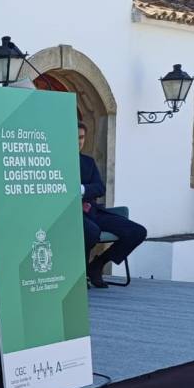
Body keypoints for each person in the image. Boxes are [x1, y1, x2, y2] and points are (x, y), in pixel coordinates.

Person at [79, 121, 146, 288]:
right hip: (71, 216)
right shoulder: (54, 161)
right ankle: (79, 274)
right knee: (91, 232)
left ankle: (97, 265)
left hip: (93, 212)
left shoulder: (88, 162)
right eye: (74, 138)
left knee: (137, 232)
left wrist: (82, 189)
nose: (78, 141)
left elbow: (100, 188)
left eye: (81, 137)